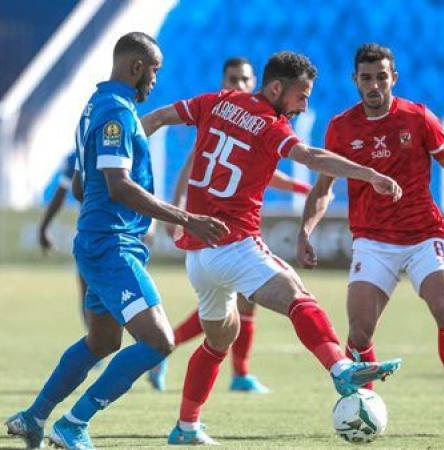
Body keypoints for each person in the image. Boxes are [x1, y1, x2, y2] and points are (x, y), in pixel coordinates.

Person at [141, 51, 403, 445]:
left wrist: (121, 150)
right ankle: (340, 369)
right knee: (298, 296)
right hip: (234, 246)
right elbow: (310, 156)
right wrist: (369, 174)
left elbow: (158, 117)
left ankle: (187, 426)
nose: (304, 105)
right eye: (301, 96)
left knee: (217, 342)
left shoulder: (217, 102)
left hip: (198, 256)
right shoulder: (269, 125)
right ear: (277, 88)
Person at [5, 32, 229, 450]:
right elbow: (118, 185)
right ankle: (74, 423)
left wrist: (105, 207)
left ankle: (34, 417)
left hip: (101, 241)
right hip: (112, 246)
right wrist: (186, 218)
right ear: (136, 67)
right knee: (158, 341)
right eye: (154, 71)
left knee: (103, 341)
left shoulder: (94, 108)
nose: (156, 82)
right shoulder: (117, 115)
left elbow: (79, 183)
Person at [296, 43, 444, 436]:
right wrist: (304, 231)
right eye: (366, 78)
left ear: (393, 78)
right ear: (355, 80)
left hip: (424, 235)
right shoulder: (341, 127)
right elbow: (323, 188)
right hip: (372, 240)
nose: (373, 85)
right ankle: (365, 404)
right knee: (359, 333)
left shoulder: (417, 117)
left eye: (381, 77)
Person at [149, 57, 312, 394]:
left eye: (245, 79)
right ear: (223, 80)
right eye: (233, 78)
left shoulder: (254, 120)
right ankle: (169, 348)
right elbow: (190, 169)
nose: (239, 85)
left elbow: (265, 174)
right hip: (212, 230)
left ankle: (235, 372)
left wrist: (302, 188)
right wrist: (178, 212)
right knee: (229, 307)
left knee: (238, 305)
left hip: (238, 227)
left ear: (258, 83)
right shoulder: (219, 114)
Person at [38, 149, 88, 325]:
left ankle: (96, 343)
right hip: (94, 236)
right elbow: (61, 192)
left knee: (89, 294)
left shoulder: (78, 154)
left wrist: (43, 228)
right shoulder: (77, 155)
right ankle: (97, 343)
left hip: (93, 236)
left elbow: (60, 193)